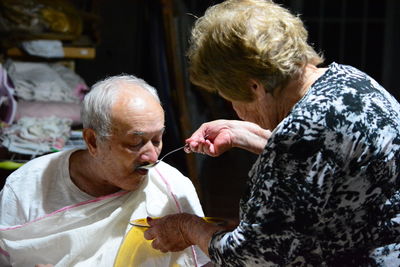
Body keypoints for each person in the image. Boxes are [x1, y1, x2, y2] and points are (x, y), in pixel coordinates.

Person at [143, 0, 400, 266]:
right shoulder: (351, 81)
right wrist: (249, 135)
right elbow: (329, 164)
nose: (235, 111)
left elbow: (254, 255)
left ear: (255, 87)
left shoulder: (303, 134)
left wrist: (187, 228)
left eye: (230, 98)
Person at [0, 74, 210, 266]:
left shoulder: (171, 188)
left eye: (157, 139)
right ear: (92, 141)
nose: (152, 157)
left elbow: (202, 262)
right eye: (135, 143)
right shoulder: (25, 187)